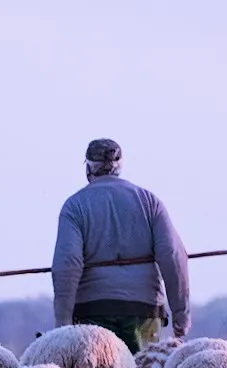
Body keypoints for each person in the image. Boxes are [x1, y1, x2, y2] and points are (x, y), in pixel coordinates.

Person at [50, 139, 190, 353]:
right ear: (120, 166)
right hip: (143, 312)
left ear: (88, 167)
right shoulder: (149, 202)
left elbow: (67, 264)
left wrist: (62, 325)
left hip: (92, 312)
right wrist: (181, 319)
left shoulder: (74, 206)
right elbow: (172, 256)